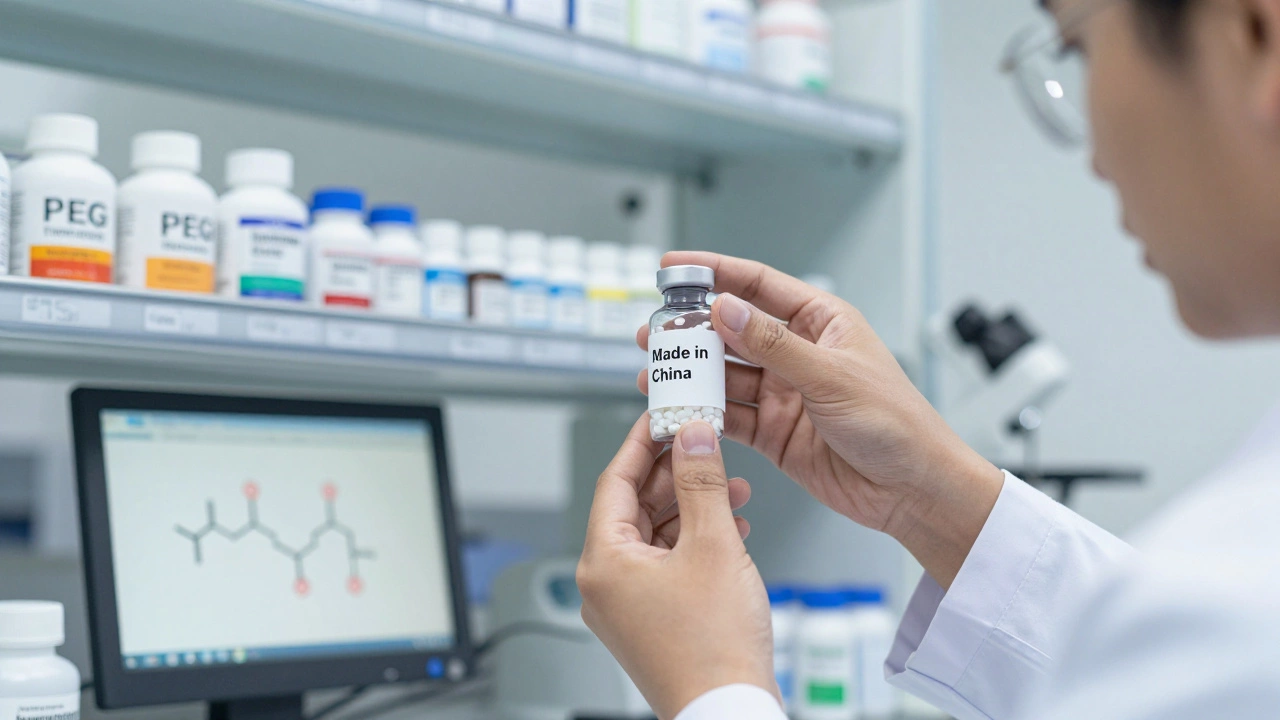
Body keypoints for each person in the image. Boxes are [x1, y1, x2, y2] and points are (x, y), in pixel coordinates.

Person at [575, 0, 1280, 717]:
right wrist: (927, 496)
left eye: (1076, 49)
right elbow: (1135, 660)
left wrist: (711, 684)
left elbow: (1176, 652)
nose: (1095, 158)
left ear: (1256, 32)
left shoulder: (1231, 608)